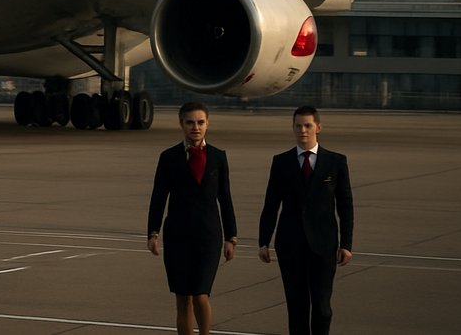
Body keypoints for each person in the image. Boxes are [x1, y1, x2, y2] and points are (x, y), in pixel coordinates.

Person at [258, 105, 354, 335]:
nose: (303, 130)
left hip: (324, 245)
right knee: (297, 306)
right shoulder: (281, 162)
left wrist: (346, 244)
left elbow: (345, 205)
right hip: (290, 244)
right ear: (293, 128)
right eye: (298, 126)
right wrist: (264, 240)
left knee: (322, 307)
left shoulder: (336, 162)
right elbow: (271, 204)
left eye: (308, 125)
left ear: (318, 127)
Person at [146, 102, 237, 335]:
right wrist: (153, 232)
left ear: (207, 124)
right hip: (178, 235)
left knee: (200, 294)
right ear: (181, 124)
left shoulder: (218, 157)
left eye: (200, 122)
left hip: (208, 237)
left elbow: (225, 199)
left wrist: (231, 237)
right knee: (183, 298)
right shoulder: (168, 157)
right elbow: (158, 197)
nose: (195, 127)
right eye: (190, 122)